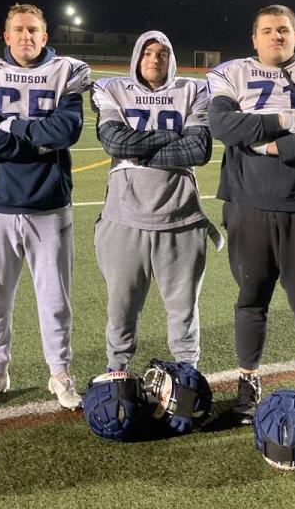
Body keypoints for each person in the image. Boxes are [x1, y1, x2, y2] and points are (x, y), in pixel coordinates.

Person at [207, 4, 295, 427]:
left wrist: (272, 147)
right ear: (255, 38)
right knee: (251, 299)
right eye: (267, 30)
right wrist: (284, 120)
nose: (275, 36)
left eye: (283, 30)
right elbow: (222, 126)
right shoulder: (230, 72)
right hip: (247, 203)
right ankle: (248, 383)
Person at [0, 3, 91, 411]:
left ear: (45, 36)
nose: (26, 36)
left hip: (49, 203)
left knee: (55, 299)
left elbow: (67, 130)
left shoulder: (65, 72)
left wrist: (11, 126)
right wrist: (38, 135)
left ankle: (59, 372)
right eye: (19, 29)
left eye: (33, 29)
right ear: (6, 35)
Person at [91, 31, 220, 373]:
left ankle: (188, 376)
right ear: (137, 57)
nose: (154, 59)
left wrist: (140, 151)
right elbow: (115, 143)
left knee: (183, 310)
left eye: (162, 53)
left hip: (181, 218)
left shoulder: (192, 89)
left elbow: (198, 149)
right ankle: (116, 373)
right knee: (120, 309)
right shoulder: (112, 89)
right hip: (123, 217)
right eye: (148, 52)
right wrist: (169, 138)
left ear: (171, 58)